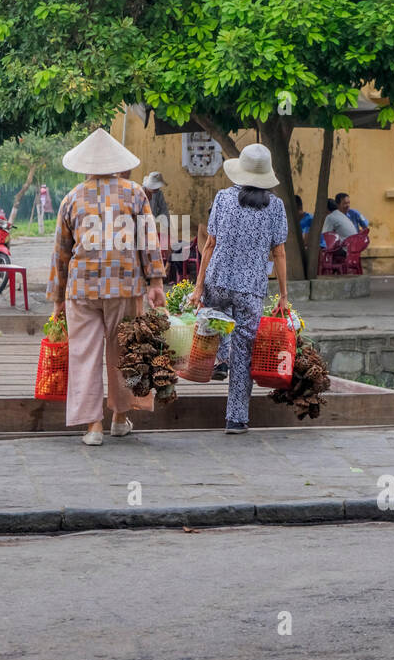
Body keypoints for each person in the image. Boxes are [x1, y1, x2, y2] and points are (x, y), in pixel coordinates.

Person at [49, 129, 165, 447]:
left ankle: (94, 426)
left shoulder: (71, 198)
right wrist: (156, 283)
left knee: (85, 355)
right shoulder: (135, 193)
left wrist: (57, 299)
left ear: (85, 165)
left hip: (80, 289)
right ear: (117, 164)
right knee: (123, 351)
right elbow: (148, 242)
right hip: (125, 286)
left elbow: (60, 253)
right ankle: (119, 418)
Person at [189, 143, 289, 435]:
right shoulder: (275, 206)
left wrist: (198, 286)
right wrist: (283, 295)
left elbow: (210, 244)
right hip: (251, 289)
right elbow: (279, 253)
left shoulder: (223, 198)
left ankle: (220, 359)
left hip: (217, 280)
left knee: (217, 319)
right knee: (244, 352)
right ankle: (236, 419)